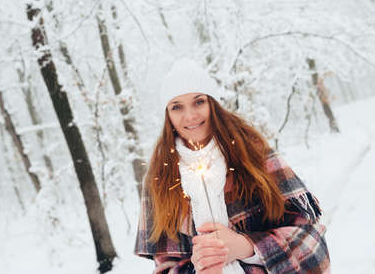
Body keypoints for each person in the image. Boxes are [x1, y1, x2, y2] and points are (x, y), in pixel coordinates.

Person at [134, 58, 330, 273]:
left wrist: (246, 247)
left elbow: (313, 246)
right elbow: (165, 267)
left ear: (213, 104)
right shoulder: (160, 178)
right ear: (168, 115)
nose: (190, 115)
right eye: (177, 107)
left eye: (199, 102)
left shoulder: (251, 152)